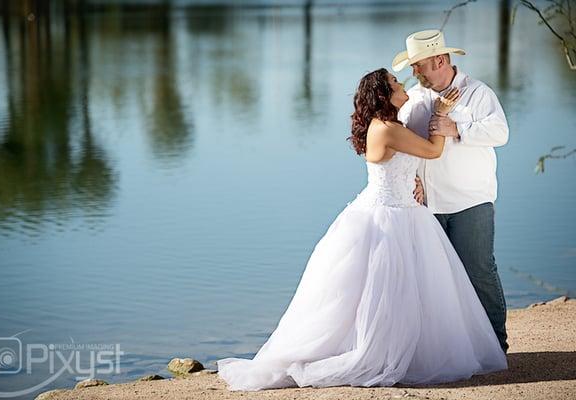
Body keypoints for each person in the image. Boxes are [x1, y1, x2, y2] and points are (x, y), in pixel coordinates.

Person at [216, 68, 507, 391]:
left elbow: (408, 160)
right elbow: (433, 150)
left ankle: (410, 352)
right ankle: (377, 352)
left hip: (404, 211)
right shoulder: (385, 128)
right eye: (396, 83)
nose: (403, 83)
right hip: (387, 218)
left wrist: (415, 177)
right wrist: (440, 115)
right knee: (383, 292)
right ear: (384, 94)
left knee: (408, 291)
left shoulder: (392, 124)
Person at [394, 29, 510, 353]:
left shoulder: (478, 93)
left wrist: (457, 128)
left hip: (470, 201)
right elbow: (404, 145)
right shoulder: (414, 100)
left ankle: (496, 347)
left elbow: (501, 132)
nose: (414, 72)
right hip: (426, 206)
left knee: (479, 272)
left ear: (440, 60)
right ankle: (450, 349)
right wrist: (411, 178)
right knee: (435, 281)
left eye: (419, 65)